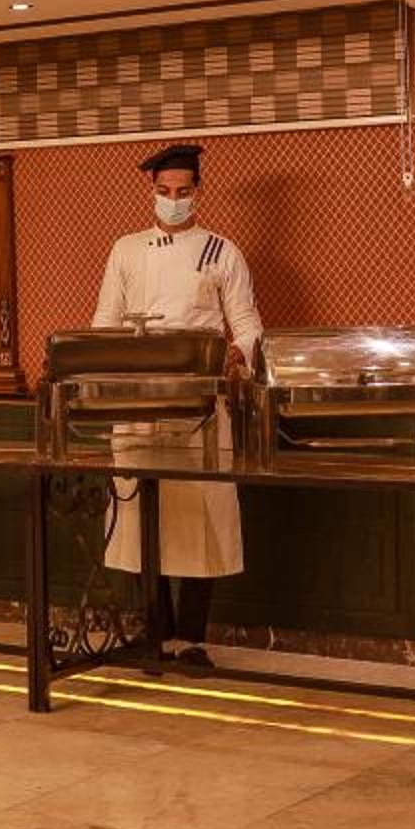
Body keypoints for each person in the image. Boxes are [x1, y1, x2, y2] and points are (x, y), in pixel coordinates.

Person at [93, 142, 262, 667]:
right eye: (165, 191)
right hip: (138, 402)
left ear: (197, 192)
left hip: (199, 405)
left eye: (182, 191)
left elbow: (248, 325)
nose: (173, 200)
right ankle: (155, 631)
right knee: (141, 515)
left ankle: (191, 638)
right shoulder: (125, 250)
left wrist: (236, 354)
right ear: (152, 191)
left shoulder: (221, 252)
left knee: (200, 516)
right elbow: (105, 322)